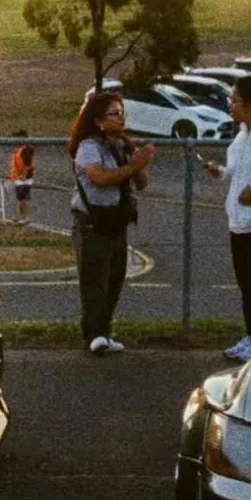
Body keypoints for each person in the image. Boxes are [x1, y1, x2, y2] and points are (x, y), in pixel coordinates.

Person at [68, 90, 154, 355]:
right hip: (92, 221)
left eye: (122, 113)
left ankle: (105, 331)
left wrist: (139, 164)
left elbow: (141, 183)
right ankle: (93, 335)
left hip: (116, 221)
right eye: (114, 114)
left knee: (116, 276)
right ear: (98, 121)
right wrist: (132, 166)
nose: (121, 118)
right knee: (94, 278)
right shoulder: (88, 147)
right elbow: (99, 178)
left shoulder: (120, 146)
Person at [199, 75, 251, 362]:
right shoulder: (242, 136)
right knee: (246, 284)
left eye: (235, 100)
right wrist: (219, 172)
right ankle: (250, 336)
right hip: (239, 221)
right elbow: (234, 172)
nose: (229, 105)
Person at [7, 133, 36, 224]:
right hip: (18, 178)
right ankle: (21, 216)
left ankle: (25, 217)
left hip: (24, 179)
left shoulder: (25, 150)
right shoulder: (19, 149)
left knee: (23, 198)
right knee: (20, 198)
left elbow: (28, 165)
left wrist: (22, 175)